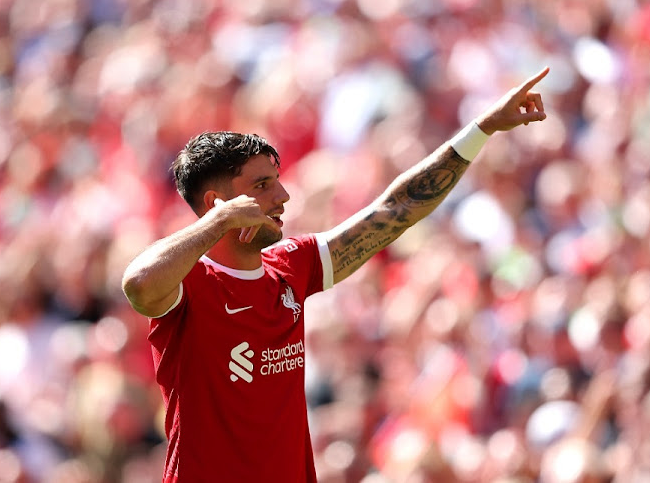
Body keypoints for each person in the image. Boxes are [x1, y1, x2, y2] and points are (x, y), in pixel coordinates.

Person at [121, 67, 550, 482]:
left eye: (278, 180)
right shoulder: (188, 285)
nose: (283, 195)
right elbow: (138, 285)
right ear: (218, 202)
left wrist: (482, 128)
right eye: (262, 185)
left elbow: (394, 211)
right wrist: (218, 223)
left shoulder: (292, 265)